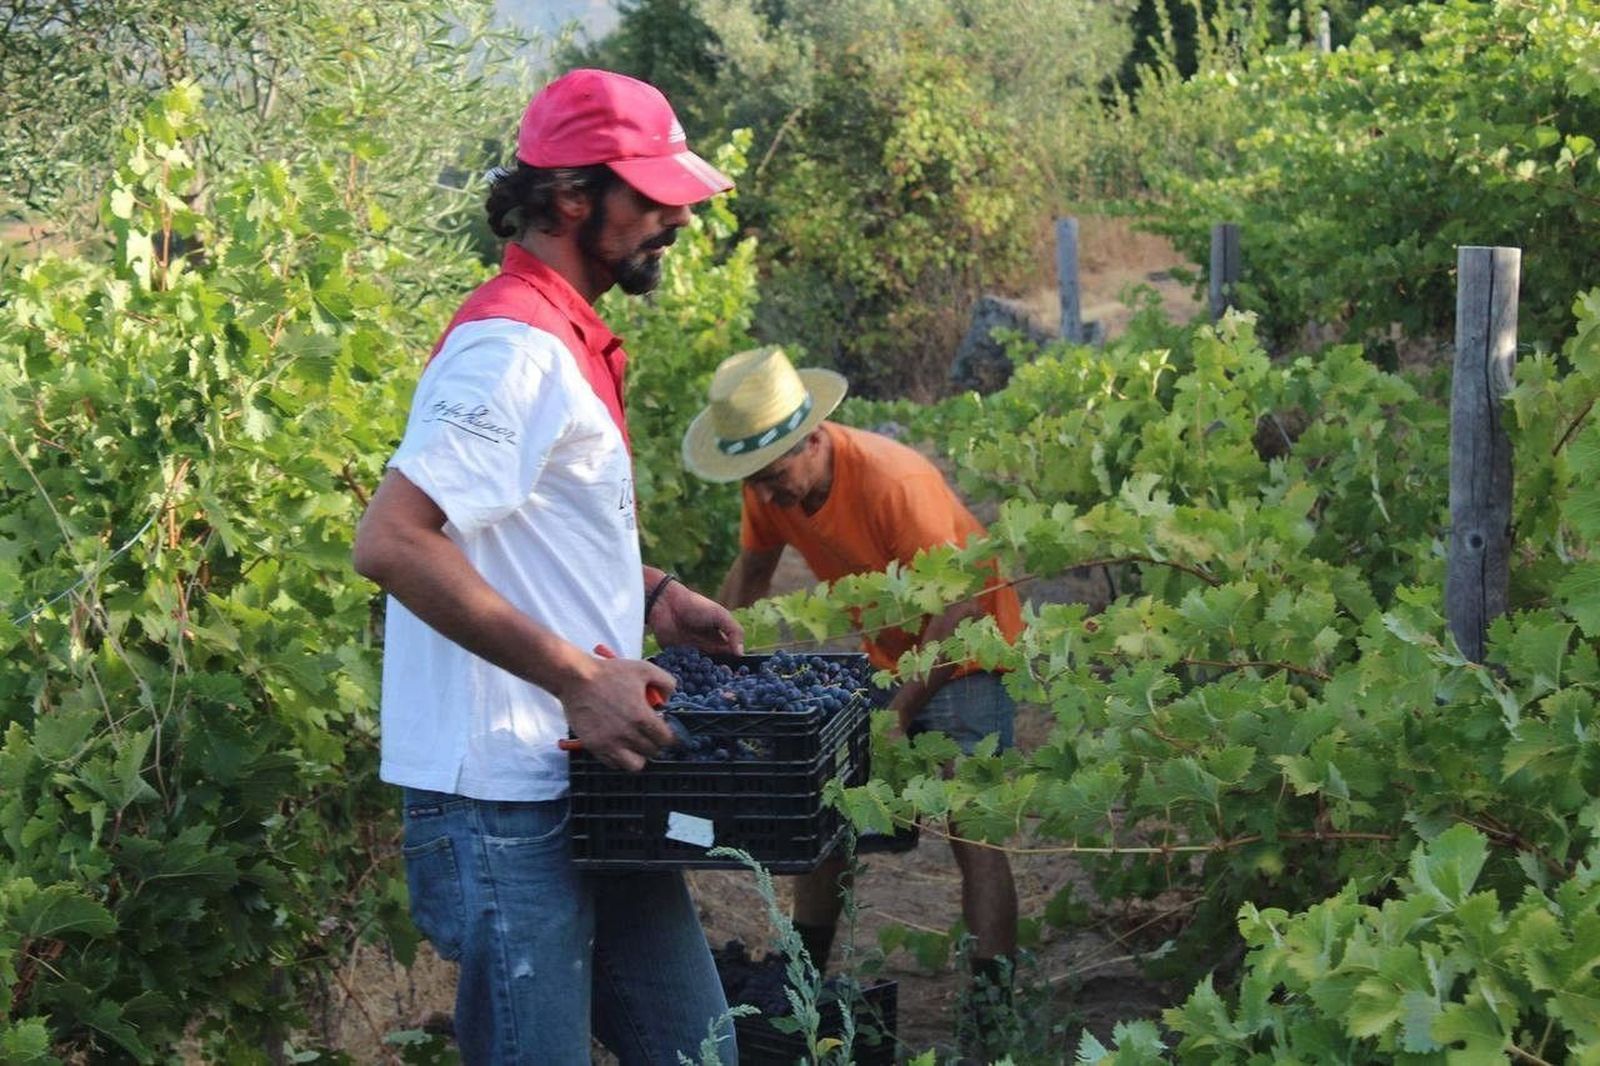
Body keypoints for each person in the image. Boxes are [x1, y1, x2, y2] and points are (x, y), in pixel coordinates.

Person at [352, 69, 745, 1066]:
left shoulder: (558, 334)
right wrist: (578, 677)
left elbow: (522, 530)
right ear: (572, 196)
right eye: (653, 195)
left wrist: (653, 594)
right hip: (501, 795)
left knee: (698, 1050)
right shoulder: (512, 349)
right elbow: (393, 540)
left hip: (583, 772)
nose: (675, 219)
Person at [680, 345, 1024, 1051]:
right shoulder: (768, 483)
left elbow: (963, 600)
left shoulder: (892, 481)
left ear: (813, 439)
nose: (770, 498)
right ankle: (799, 981)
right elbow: (752, 567)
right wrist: (698, 667)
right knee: (825, 814)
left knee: (972, 828)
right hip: (889, 654)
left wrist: (899, 711)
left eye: (776, 478)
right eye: (756, 482)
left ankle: (993, 1021)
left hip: (971, 647)